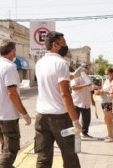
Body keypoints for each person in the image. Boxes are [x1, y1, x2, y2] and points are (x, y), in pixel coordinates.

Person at [35, 31, 82, 168]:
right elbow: (65, 94)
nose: (66, 47)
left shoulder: (40, 63)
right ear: (55, 45)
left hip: (42, 118)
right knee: (70, 156)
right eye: (64, 44)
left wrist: (72, 76)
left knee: (43, 157)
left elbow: (51, 80)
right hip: (60, 119)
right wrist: (75, 121)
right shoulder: (61, 63)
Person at [0, 39, 32, 168]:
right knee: (11, 152)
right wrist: (25, 113)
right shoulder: (10, 67)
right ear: (12, 51)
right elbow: (12, 92)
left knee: (5, 150)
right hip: (7, 116)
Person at [70, 64, 96, 138]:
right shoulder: (76, 78)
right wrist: (85, 85)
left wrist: (92, 100)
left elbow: (90, 90)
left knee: (87, 119)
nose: (86, 71)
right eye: (84, 69)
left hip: (86, 102)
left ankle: (85, 132)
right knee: (75, 120)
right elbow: (74, 88)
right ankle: (73, 135)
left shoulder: (88, 79)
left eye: (87, 69)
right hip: (76, 102)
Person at [95, 67, 113, 142]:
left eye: (108, 73)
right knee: (106, 119)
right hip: (104, 101)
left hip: (110, 102)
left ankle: (111, 136)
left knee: (109, 119)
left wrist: (104, 92)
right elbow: (104, 89)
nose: (106, 75)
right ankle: (109, 134)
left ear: (112, 73)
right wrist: (99, 92)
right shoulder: (106, 80)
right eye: (105, 74)